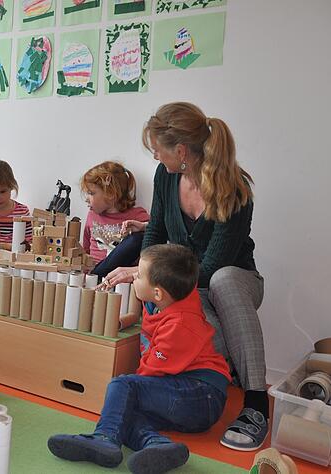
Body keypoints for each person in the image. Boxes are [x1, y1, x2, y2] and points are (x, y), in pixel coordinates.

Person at [104, 102, 267, 451]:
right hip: (188, 282)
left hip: (233, 280)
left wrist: (146, 275)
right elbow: (156, 234)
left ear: (180, 151)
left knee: (219, 283)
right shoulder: (167, 176)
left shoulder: (234, 189)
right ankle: (187, 400)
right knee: (188, 315)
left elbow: (209, 269)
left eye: (157, 151)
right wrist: (145, 273)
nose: (155, 159)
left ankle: (256, 404)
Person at [48, 244, 230, 473]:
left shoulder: (181, 324)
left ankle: (104, 437)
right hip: (182, 394)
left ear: (157, 292)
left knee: (123, 386)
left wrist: (126, 390)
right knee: (124, 413)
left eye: (139, 275)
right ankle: (156, 444)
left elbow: (151, 371)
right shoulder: (167, 296)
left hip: (201, 395)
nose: (134, 276)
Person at [80, 161, 150, 278]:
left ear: (111, 194)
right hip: (93, 276)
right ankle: (97, 276)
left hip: (120, 279)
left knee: (136, 239)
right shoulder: (92, 216)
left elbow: (156, 233)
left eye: (91, 193)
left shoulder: (137, 215)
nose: (87, 199)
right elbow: (86, 249)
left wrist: (143, 227)